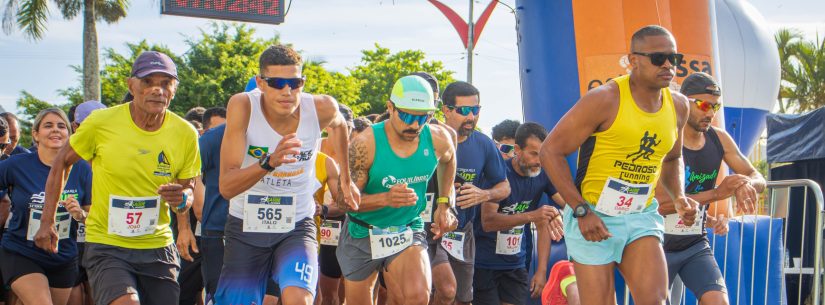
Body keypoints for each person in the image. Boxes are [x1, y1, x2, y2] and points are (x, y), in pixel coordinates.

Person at [539, 25, 709, 305]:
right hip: (593, 214)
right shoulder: (604, 99)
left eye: (674, 59)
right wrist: (581, 210)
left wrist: (679, 197)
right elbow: (550, 151)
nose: (668, 65)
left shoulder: (678, 105)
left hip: (640, 215)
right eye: (658, 58)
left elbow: (672, 158)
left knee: (656, 300)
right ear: (633, 60)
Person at [35, 50, 201, 305]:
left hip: (157, 245)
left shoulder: (185, 133)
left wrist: (181, 200)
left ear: (174, 89)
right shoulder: (102, 122)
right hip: (107, 243)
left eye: (165, 83)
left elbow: (186, 192)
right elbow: (61, 163)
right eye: (148, 82)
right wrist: (48, 221)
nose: (158, 90)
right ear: (131, 85)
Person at [215, 44, 358, 305]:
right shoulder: (243, 106)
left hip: (296, 223)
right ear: (260, 82)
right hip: (246, 223)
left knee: (299, 300)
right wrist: (269, 162)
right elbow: (226, 186)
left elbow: (340, 127)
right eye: (277, 82)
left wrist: (347, 180)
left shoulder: (322, 107)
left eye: (295, 82)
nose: (287, 91)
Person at [337, 75, 458, 305]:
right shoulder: (365, 144)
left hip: (407, 228)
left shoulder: (438, 139)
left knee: (417, 297)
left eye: (424, 117)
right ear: (390, 108)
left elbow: (449, 160)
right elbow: (343, 201)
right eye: (407, 115)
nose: (415, 124)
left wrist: (444, 204)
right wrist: (385, 198)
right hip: (362, 232)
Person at [656, 72, 764, 305]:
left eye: (715, 106)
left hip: (693, 242)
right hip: (656, 243)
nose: (710, 113)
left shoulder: (719, 138)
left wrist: (745, 184)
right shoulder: (666, 137)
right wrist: (717, 193)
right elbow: (663, 204)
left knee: (719, 302)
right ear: (683, 101)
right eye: (703, 105)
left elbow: (758, 177)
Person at [0, 108, 92, 305]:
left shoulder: (82, 168)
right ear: (36, 134)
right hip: (21, 250)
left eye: (61, 126)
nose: (55, 130)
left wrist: (80, 214)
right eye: (48, 126)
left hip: (63, 255)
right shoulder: (16, 165)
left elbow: (95, 215)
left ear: (70, 134)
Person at [474, 122, 564, 305]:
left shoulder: (542, 174)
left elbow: (567, 203)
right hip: (484, 263)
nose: (539, 160)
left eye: (543, 154)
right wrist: (532, 216)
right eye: (534, 153)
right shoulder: (498, 174)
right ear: (517, 149)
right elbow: (488, 221)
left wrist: (541, 271)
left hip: (515, 263)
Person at [438, 81, 511, 305]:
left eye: (476, 110)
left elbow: (504, 187)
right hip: (428, 230)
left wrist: (485, 194)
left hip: (462, 232)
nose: (471, 117)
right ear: (446, 110)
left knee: (462, 298)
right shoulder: (429, 136)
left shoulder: (484, 144)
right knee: (437, 292)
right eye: (464, 111)